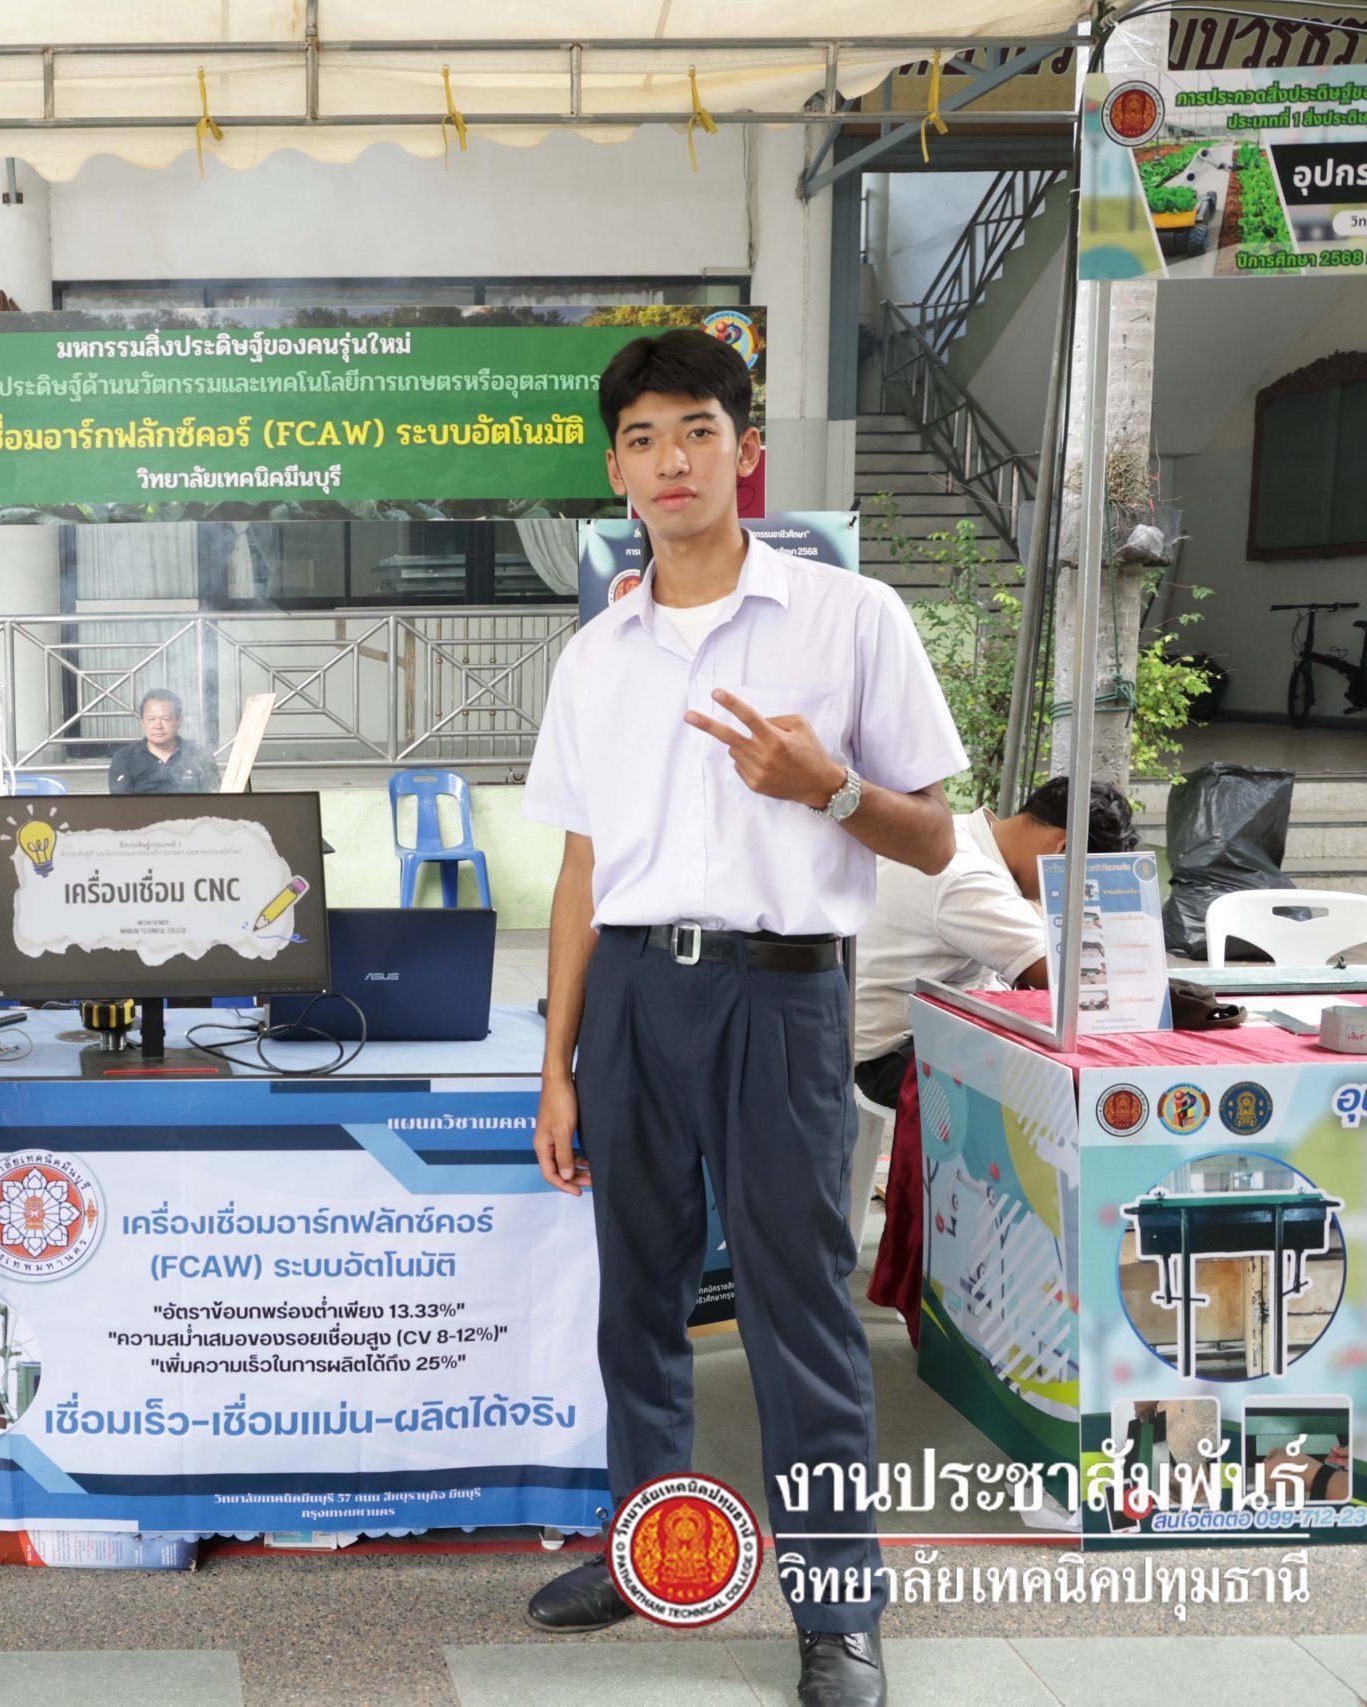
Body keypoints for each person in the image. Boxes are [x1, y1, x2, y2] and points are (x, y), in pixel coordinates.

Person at [521, 329, 964, 1707]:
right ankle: (649, 1545)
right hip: (632, 997)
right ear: (616, 471)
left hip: (781, 992)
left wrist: (825, 789)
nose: (671, 460)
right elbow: (583, 869)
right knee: (638, 1296)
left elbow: (937, 838)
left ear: (745, 450)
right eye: (643, 439)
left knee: (798, 1306)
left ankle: (837, 1608)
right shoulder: (596, 656)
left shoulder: (849, 618)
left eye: (697, 431)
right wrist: (557, 1064)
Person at [853, 776, 1140, 1108]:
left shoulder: (960, 832)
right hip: (894, 1056)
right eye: (1078, 886)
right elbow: (1073, 981)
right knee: (1074, 1093)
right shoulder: (968, 878)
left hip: (909, 1026)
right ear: (1062, 851)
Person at [107, 687, 219, 793]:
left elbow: (214, 799)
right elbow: (121, 803)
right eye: (151, 719)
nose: (158, 726)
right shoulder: (125, 758)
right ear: (142, 722)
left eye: (165, 719)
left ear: (179, 721)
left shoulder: (200, 756)